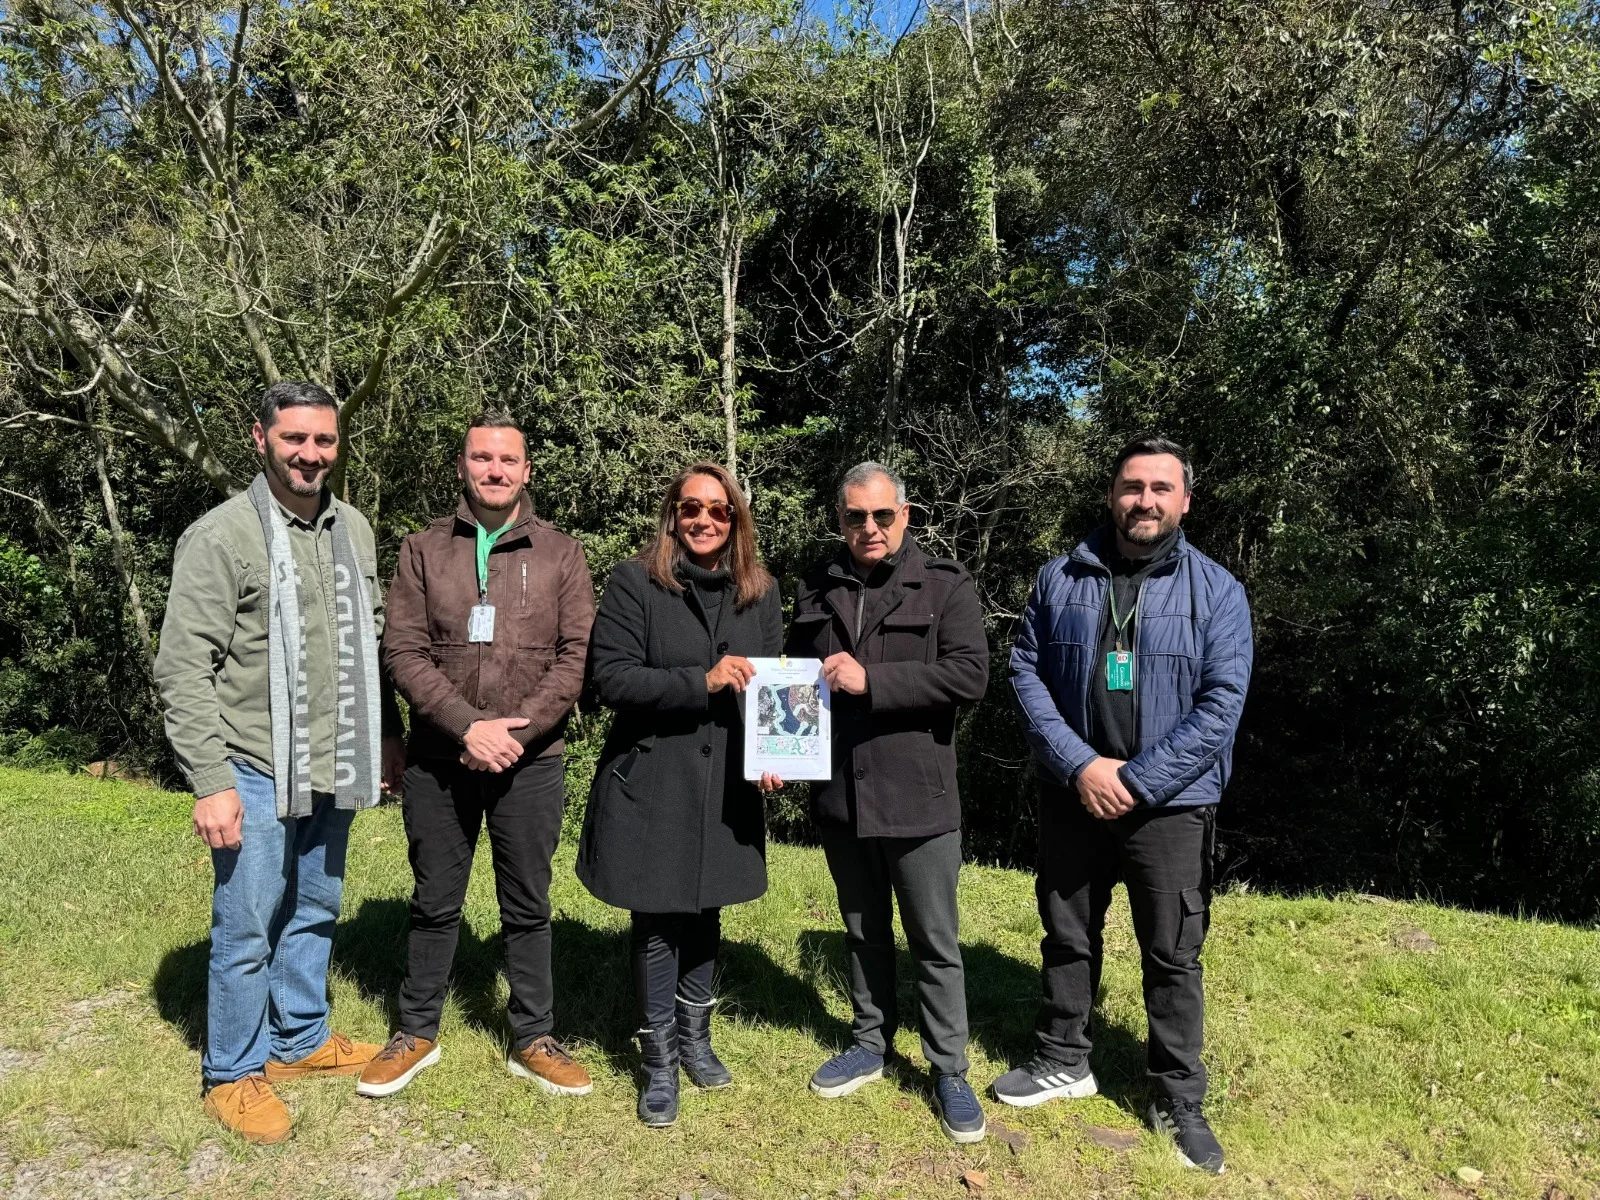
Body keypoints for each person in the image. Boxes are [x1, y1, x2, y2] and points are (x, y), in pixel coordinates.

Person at [154, 380, 403, 1144]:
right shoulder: (223, 535)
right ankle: (231, 1071)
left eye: (323, 440)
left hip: (335, 758)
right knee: (249, 922)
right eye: (295, 439)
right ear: (260, 439)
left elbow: (373, 637)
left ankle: (298, 1040)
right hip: (254, 764)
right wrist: (213, 782)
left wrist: (386, 734)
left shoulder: (353, 529)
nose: (310, 453)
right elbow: (181, 668)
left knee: (316, 907)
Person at [999, 436, 1252, 1176]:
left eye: (1160, 489)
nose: (1144, 500)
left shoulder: (1217, 591)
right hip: (1072, 792)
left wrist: (1137, 781)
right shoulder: (1061, 577)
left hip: (1170, 804)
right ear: (1111, 494)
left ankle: (1177, 1097)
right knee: (1067, 931)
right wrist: (1080, 764)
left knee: (1172, 952)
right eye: (1131, 486)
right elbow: (1023, 670)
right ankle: (1062, 1058)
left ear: (1185, 501)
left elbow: (1222, 704)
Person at [356, 411, 596, 1100]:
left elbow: (576, 657)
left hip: (532, 760)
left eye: (508, 460)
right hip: (439, 757)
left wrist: (514, 736)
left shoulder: (562, 554)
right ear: (462, 465)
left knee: (528, 902)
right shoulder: (423, 550)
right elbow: (401, 651)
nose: (495, 470)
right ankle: (416, 1031)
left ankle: (534, 1036)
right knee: (435, 898)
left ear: (526, 470)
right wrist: (468, 727)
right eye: (482, 458)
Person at [780, 462, 990, 1145]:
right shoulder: (816, 585)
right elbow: (790, 680)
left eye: (881, 516)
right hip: (842, 792)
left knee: (934, 939)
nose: (868, 529)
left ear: (905, 515)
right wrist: (776, 753)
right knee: (863, 928)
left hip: (918, 794)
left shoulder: (945, 586)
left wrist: (876, 680)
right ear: (838, 520)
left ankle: (948, 1068)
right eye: (854, 517)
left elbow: (969, 675)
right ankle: (870, 1042)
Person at [576, 462, 782, 1127]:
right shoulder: (635, 582)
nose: (704, 520)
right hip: (655, 777)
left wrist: (775, 752)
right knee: (659, 918)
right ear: (672, 514)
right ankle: (658, 1059)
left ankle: (697, 1040)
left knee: (707, 908)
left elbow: (775, 688)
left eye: (719, 511)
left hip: (725, 780)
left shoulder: (762, 592)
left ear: (735, 520)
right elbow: (612, 679)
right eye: (691, 508)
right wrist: (704, 680)